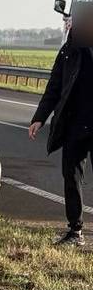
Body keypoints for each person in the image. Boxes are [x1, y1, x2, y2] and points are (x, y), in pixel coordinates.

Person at [28, 40, 93, 246]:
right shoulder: (69, 49)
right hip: (74, 125)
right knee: (71, 177)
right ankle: (75, 231)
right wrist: (40, 117)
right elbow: (54, 85)